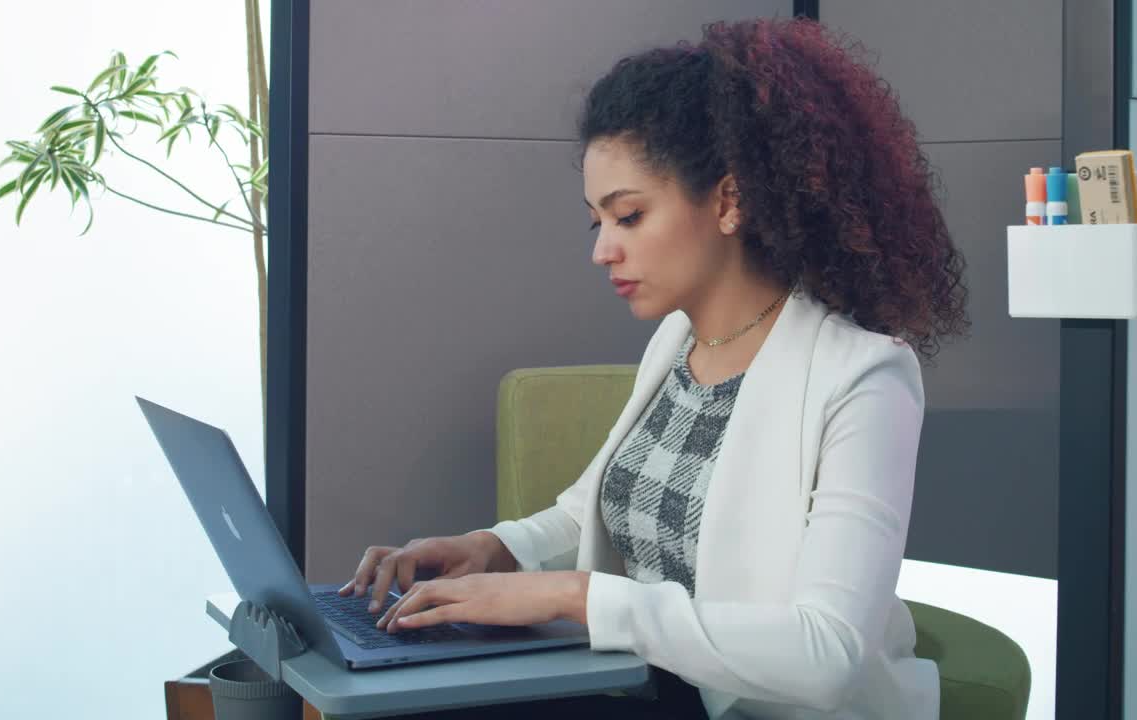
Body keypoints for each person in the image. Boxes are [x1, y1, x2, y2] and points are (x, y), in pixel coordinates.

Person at [336, 16, 969, 720]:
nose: (602, 250)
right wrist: (493, 549)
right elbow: (597, 510)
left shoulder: (865, 379)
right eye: (596, 222)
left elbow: (828, 654)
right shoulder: (678, 340)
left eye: (628, 217)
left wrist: (572, 599)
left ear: (729, 201)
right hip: (650, 688)